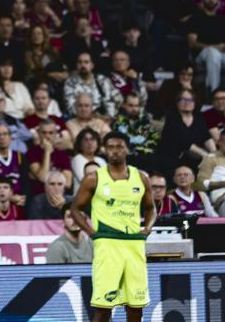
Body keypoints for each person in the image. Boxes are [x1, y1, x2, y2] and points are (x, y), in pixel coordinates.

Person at [70, 132, 154, 322]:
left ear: (127, 149)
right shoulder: (94, 178)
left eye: (119, 147)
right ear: (105, 150)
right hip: (107, 246)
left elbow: (151, 208)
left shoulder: (140, 177)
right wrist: (93, 233)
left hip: (134, 246)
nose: (115, 151)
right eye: (110, 147)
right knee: (103, 308)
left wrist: (147, 227)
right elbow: (75, 209)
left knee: (136, 308)